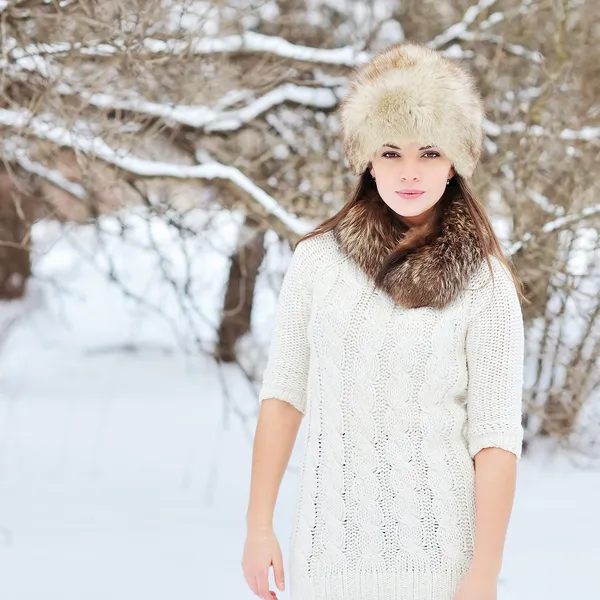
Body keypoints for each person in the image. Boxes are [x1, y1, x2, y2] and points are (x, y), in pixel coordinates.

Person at [242, 41, 526, 600]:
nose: (410, 172)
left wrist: (485, 573)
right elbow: (283, 396)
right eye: (391, 152)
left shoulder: (486, 284)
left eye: (430, 152)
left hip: (442, 560)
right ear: (368, 160)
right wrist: (258, 527)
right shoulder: (317, 262)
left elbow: (495, 439)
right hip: (326, 552)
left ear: (455, 163)